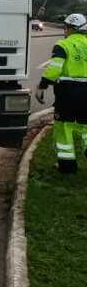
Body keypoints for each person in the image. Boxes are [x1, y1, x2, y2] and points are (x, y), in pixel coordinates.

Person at [36, 13, 87, 173]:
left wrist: (42, 86)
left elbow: (54, 69)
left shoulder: (62, 45)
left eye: (66, 27)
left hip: (68, 93)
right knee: (86, 128)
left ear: (72, 28)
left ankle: (67, 166)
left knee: (63, 127)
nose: (64, 30)